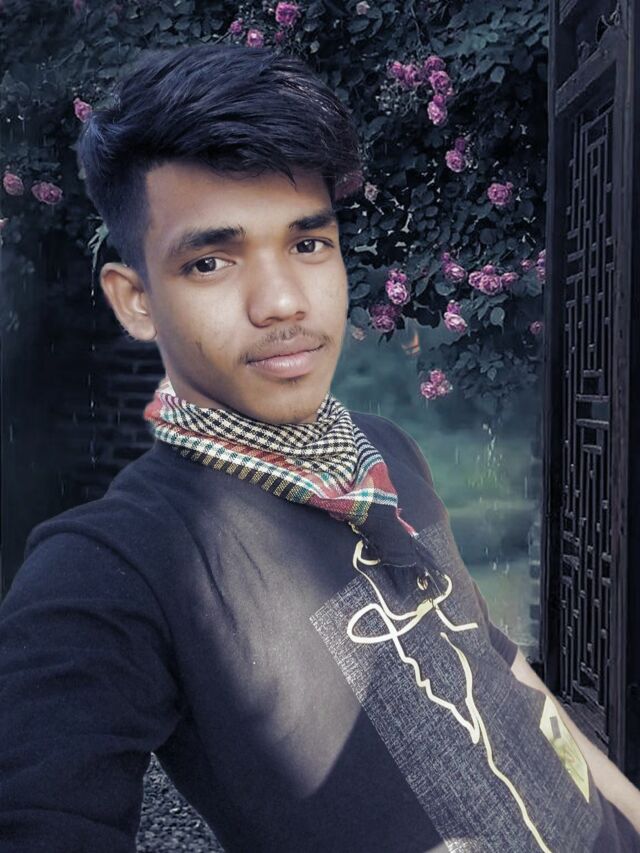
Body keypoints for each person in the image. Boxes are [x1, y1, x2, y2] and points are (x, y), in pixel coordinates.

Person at [0, 43, 639, 853]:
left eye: (308, 244)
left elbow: (497, 662)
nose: (282, 302)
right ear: (136, 301)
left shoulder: (381, 449)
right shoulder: (115, 564)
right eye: (210, 260)